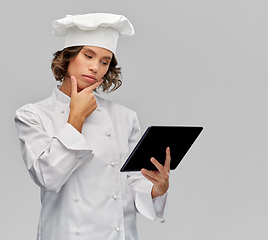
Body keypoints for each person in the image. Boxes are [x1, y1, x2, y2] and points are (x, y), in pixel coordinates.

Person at [14, 13, 171, 240]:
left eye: (104, 61)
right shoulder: (34, 115)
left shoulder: (124, 116)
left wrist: (158, 188)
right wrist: (75, 119)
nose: (95, 67)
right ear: (68, 57)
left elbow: (133, 182)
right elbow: (47, 178)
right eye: (88, 56)